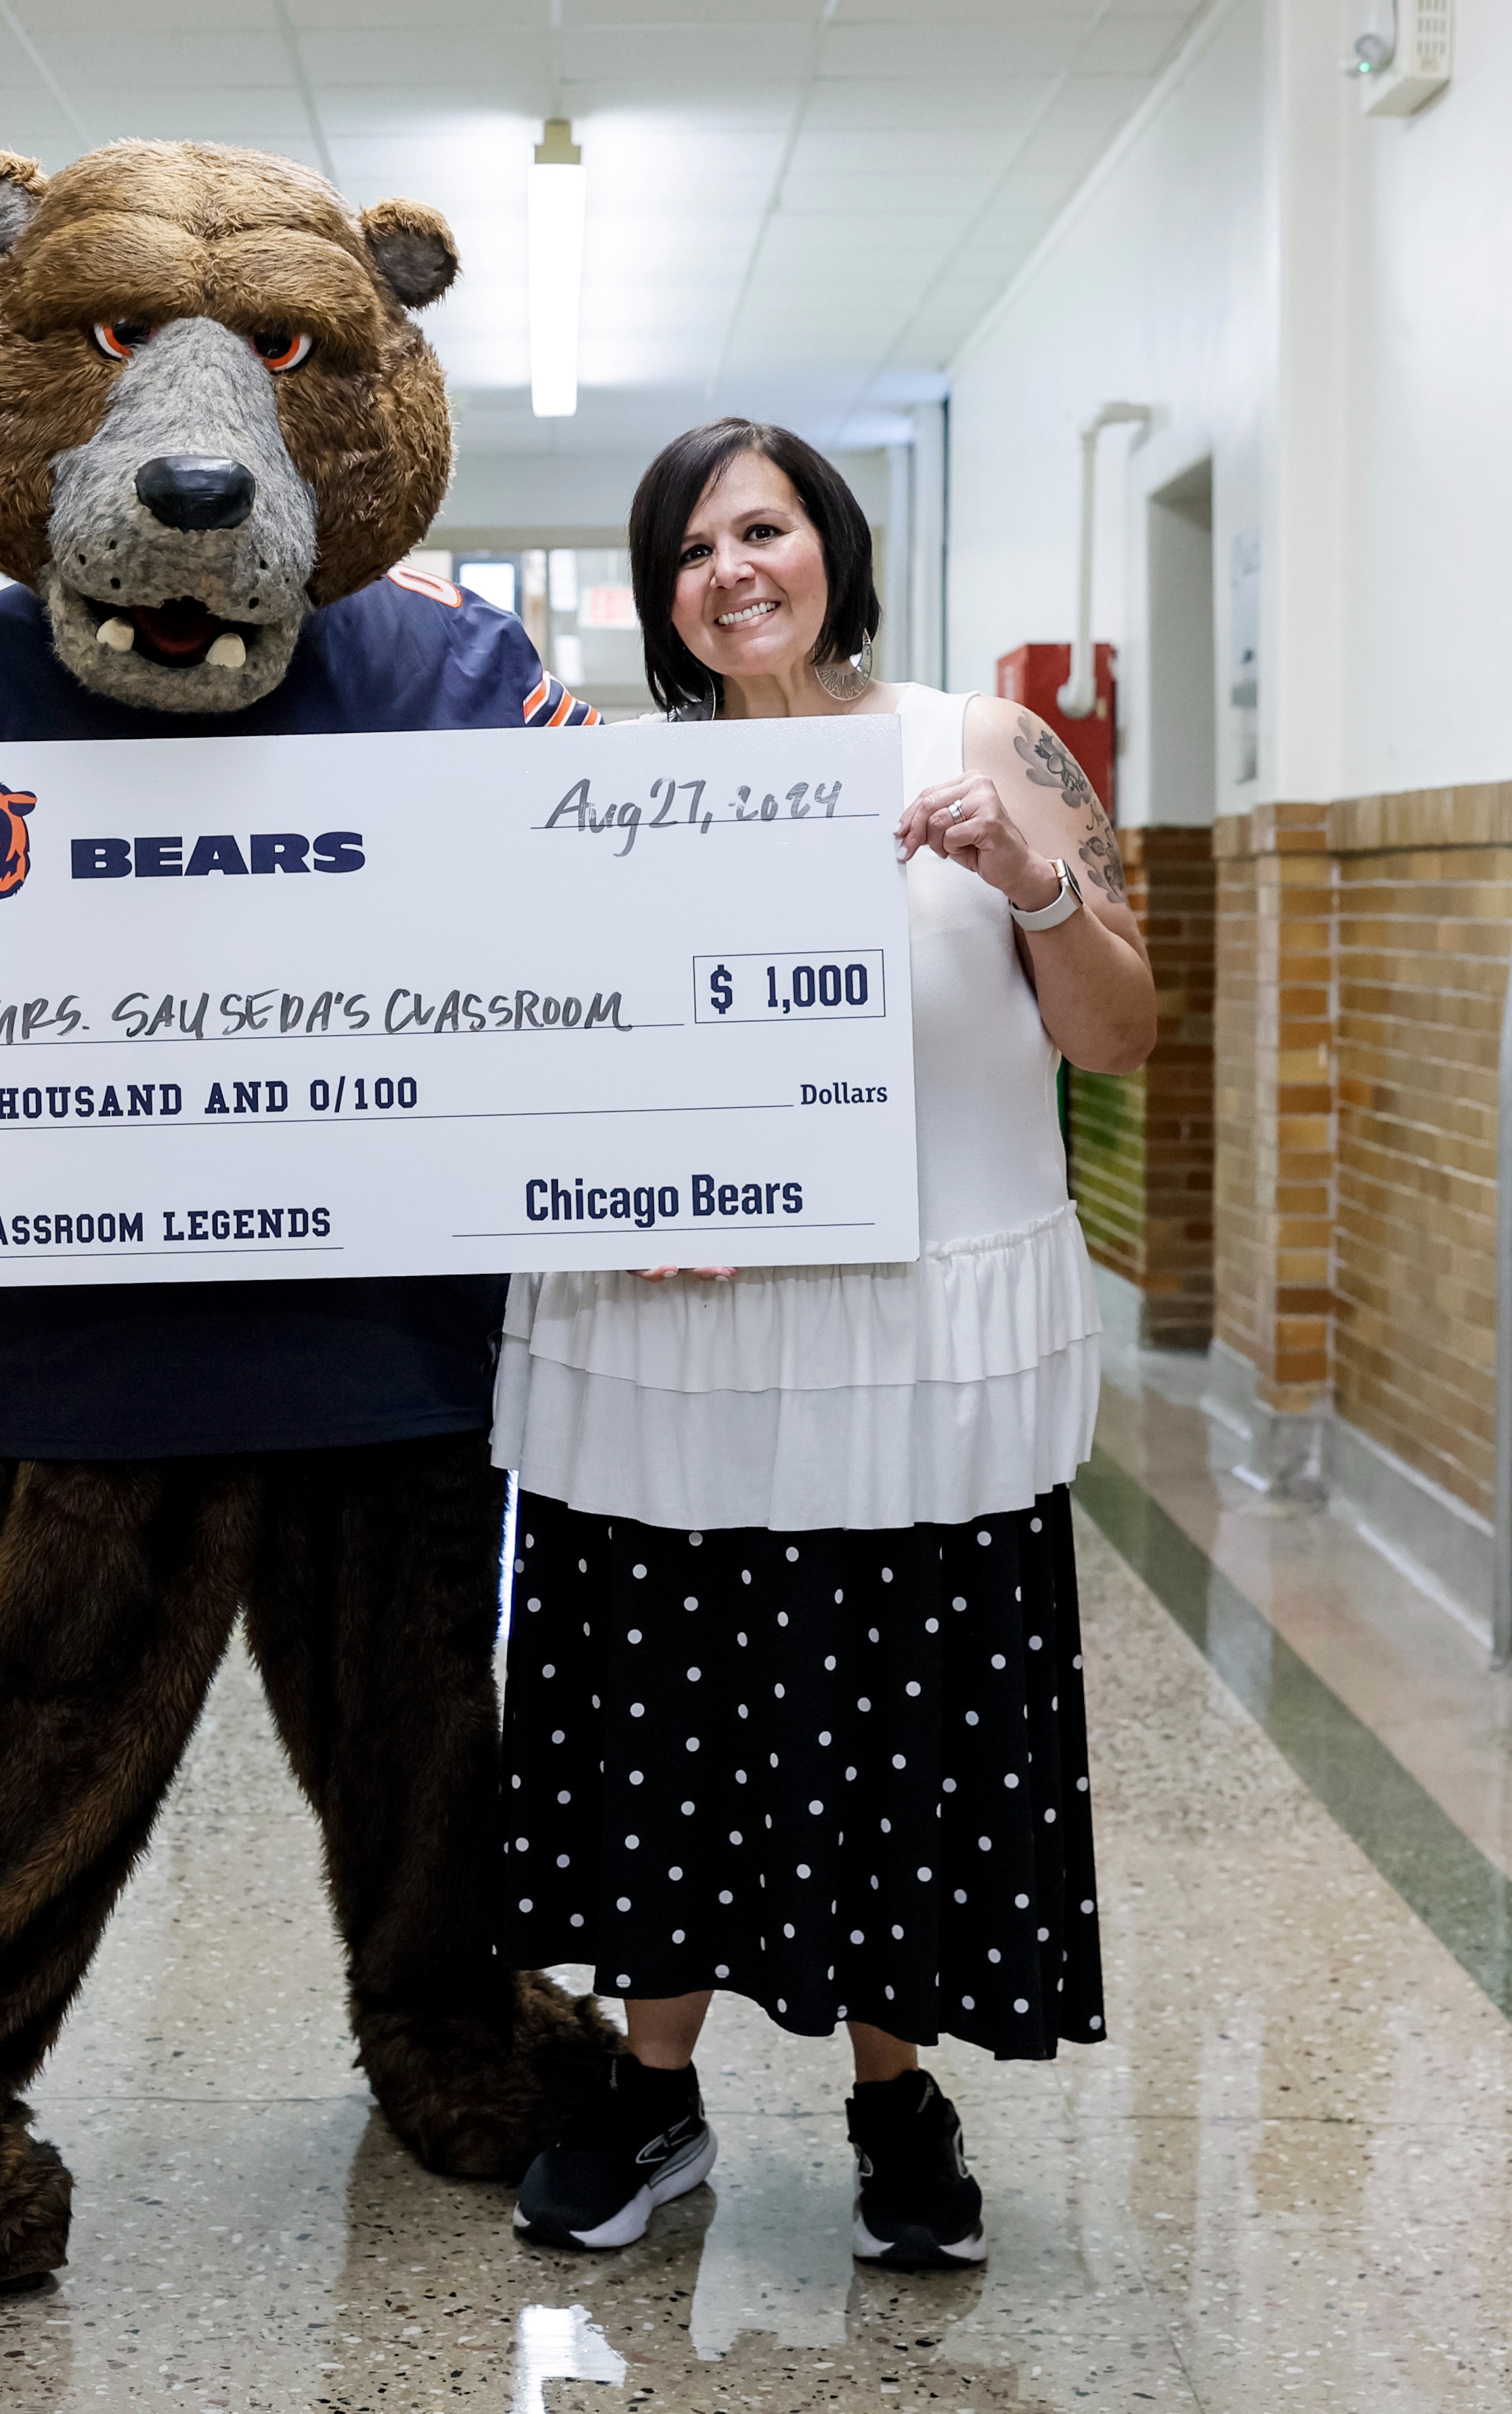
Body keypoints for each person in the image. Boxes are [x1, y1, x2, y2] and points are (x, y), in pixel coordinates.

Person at [492, 418, 1157, 2268]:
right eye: (690, 548)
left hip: (921, 1337)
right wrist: (633, 1192)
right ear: (662, 597)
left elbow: (1119, 1034)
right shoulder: (624, 785)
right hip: (678, 1345)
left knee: (904, 1714)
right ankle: (650, 2093)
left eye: (760, 527)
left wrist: (1034, 880)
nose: (731, 569)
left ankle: (896, 2100)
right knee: (665, 1711)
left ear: (826, 542)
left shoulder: (987, 745)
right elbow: (555, 1056)